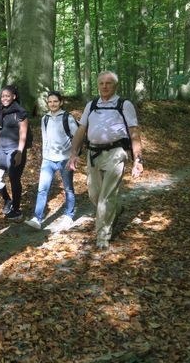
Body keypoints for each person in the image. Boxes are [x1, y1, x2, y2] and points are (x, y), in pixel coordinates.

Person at [67, 71, 144, 249]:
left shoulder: (124, 105)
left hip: (116, 152)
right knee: (94, 194)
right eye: (101, 83)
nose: (104, 86)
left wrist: (138, 159)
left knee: (106, 197)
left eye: (108, 83)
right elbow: (81, 130)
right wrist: (73, 154)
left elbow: (134, 132)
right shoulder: (91, 105)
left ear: (115, 85)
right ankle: (115, 211)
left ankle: (103, 236)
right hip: (93, 153)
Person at [25, 91, 78, 230]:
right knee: (42, 189)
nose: (52, 104)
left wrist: (73, 156)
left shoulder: (68, 117)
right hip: (48, 160)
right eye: (50, 102)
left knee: (68, 188)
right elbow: (45, 138)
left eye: (55, 101)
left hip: (65, 159)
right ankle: (37, 218)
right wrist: (44, 156)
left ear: (60, 102)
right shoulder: (45, 119)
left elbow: (77, 137)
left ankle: (69, 215)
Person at [0, 85, 30, 220]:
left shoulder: (20, 112)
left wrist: (20, 151)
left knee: (14, 179)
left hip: (15, 149)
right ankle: (7, 200)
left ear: (14, 97)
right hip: (1, 149)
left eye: (8, 96)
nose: (5, 98)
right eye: (3, 96)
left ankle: (16, 209)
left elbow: (23, 133)